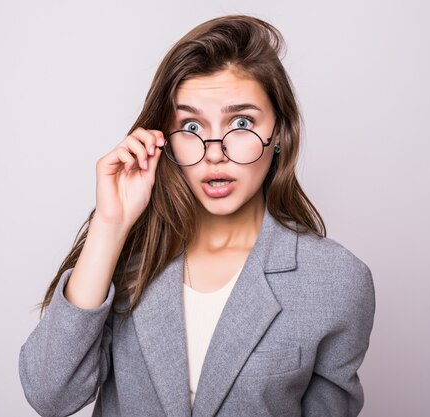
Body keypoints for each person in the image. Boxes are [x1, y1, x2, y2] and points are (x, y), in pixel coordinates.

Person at [19, 14, 375, 417]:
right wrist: (110, 226)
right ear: (164, 140)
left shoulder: (336, 281)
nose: (214, 152)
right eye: (191, 126)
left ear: (279, 132)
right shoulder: (129, 254)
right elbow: (50, 396)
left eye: (241, 123)